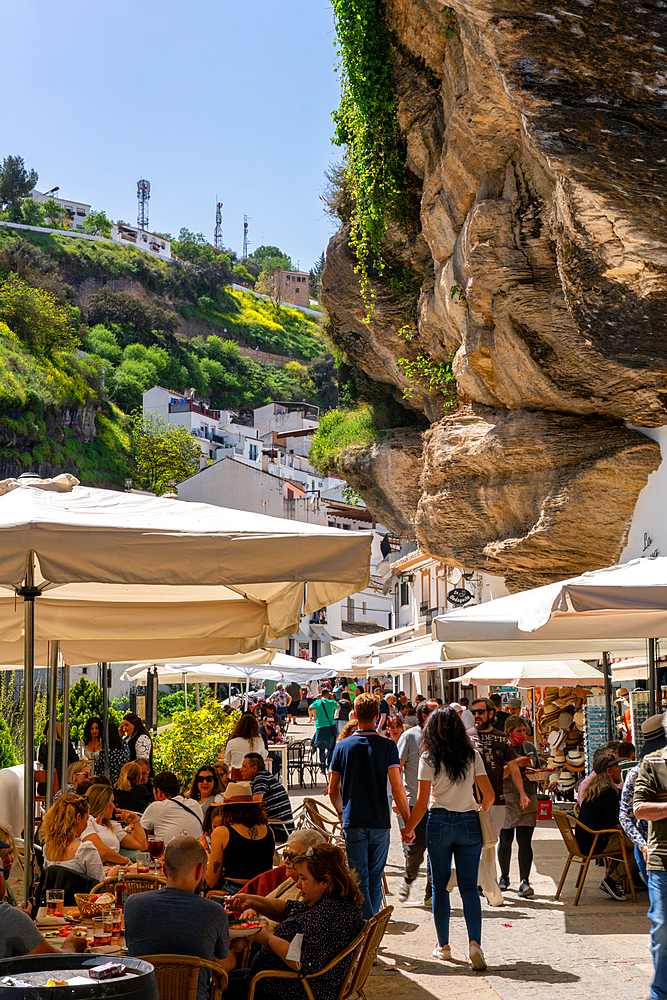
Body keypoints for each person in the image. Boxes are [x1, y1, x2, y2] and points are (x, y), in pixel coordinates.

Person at [401, 706, 495, 969]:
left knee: (440, 887)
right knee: (468, 888)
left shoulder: (428, 757)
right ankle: (474, 944)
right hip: (468, 823)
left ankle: (443, 945)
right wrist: (479, 814)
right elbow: (489, 796)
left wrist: (408, 829)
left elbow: (421, 803)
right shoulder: (471, 754)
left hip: (439, 822)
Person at [225, 844, 365, 1000]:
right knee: (227, 977)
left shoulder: (329, 916)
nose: (298, 884)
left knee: (217, 982)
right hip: (278, 979)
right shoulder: (332, 903)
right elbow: (289, 908)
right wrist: (251, 900)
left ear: (325, 881)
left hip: (290, 989)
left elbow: (303, 962)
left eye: (304, 879)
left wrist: (268, 938)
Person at [328, 692, 412, 920]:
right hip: (380, 821)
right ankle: (372, 933)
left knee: (360, 879)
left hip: (353, 820)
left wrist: (340, 812)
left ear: (354, 715)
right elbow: (397, 788)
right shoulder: (387, 746)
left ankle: (366, 934)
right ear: (377, 716)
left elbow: (332, 789)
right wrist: (407, 822)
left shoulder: (342, 747)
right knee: (375, 878)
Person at [125, 836, 239, 1000]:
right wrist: (239, 949)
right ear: (199, 871)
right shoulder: (215, 912)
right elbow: (221, 965)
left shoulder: (133, 904)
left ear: (164, 870)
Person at [469, 697, 530, 884]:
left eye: (480, 712)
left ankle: (486, 881)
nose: (477, 716)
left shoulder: (502, 738)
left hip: (497, 799)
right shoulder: (466, 736)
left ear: (491, 713)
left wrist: (522, 793)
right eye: (474, 712)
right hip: (471, 800)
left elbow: (513, 767)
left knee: (490, 842)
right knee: (474, 844)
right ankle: (483, 882)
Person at [0, 832, 86, 958]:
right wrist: (72, 945)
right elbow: (54, 960)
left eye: (11, 852)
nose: (9, 860)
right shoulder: (8, 917)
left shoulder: (10, 914)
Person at [634, 715, 667, 1000]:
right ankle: (660, 993)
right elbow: (638, 809)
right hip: (663, 862)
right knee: (663, 929)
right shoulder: (653, 763)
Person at [577, 750, 637, 900]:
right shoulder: (607, 792)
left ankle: (611, 878)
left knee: (629, 842)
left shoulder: (595, 788)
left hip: (586, 841)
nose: (620, 770)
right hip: (596, 843)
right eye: (617, 767)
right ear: (609, 771)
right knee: (640, 845)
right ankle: (613, 880)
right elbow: (617, 824)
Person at [397, 700, 438, 905]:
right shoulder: (409, 736)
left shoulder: (442, 737)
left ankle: (431, 892)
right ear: (425, 716)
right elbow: (397, 768)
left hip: (438, 802)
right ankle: (408, 878)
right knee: (416, 848)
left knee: (437, 849)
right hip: (415, 801)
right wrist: (399, 798)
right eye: (436, 710)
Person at [497, 716, 540, 897]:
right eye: (519, 732)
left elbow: (537, 768)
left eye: (524, 731)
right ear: (509, 732)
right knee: (505, 840)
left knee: (525, 841)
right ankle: (504, 876)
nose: (522, 735)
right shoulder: (500, 748)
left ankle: (524, 880)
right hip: (507, 797)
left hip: (527, 796)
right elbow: (496, 774)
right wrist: (515, 765)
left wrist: (536, 772)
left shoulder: (529, 748)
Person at [205, 782, 275, 892]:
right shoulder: (269, 831)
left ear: (227, 809)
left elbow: (211, 881)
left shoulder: (222, 832)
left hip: (234, 892)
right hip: (265, 892)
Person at [40, 794, 110, 883]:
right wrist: (111, 875)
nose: (87, 823)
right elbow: (99, 885)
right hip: (81, 896)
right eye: (87, 819)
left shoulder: (48, 848)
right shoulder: (85, 850)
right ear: (78, 818)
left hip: (57, 896)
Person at [82, 782, 148, 863]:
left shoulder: (112, 825)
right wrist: (126, 861)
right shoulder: (88, 822)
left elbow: (142, 846)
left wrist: (135, 819)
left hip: (115, 868)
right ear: (103, 803)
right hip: (98, 868)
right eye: (112, 802)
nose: (114, 806)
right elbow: (103, 852)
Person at [240, 753, 294, 843]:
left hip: (278, 829)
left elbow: (255, 803)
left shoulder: (261, 778)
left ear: (254, 768)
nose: (241, 770)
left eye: (244, 767)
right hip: (283, 827)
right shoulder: (263, 776)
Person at [37, 721, 77, 795]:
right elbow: (76, 760)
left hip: (44, 786)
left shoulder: (44, 746)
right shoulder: (66, 745)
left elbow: (40, 759)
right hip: (61, 784)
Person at [223, 713, 269, 778]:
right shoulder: (259, 741)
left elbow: (227, 764)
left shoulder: (231, 742)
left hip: (235, 779)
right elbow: (262, 757)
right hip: (254, 779)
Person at [308, 687, 338, 771]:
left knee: (321, 748)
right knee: (330, 747)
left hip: (320, 728)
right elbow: (338, 707)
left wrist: (311, 718)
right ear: (328, 694)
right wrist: (332, 698)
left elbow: (310, 708)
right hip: (330, 727)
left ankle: (322, 766)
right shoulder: (332, 702)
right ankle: (328, 765)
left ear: (321, 694)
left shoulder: (317, 702)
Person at [94, 720, 130, 786]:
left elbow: (98, 768)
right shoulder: (124, 745)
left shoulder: (106, 750)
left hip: (110, 782)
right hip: (123, 782)